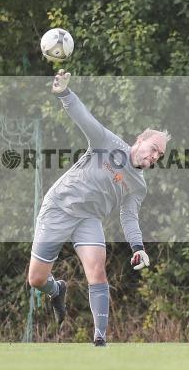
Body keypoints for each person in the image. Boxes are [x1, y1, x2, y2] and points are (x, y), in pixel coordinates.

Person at [27, 69, 170, 346]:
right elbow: (85, 119)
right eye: (152, 147)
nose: (154, 155)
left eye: (159, 154)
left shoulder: (139, 185)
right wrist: (64, 93)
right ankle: (57, 290)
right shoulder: (108, 143)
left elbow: (128, 216)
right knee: (36, 279)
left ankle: (100, 338)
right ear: (140, 140)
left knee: (97, 270)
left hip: (88, 219)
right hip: (59, 207)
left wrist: (138, 247)